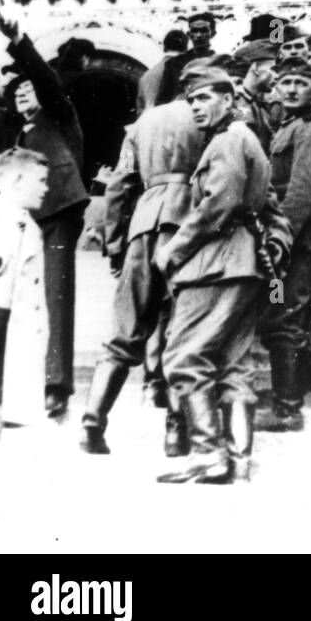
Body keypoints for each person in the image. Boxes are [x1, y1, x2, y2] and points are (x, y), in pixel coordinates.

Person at [156, 67, 292, 486]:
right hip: (243, 266)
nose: (196, 106)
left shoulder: (228, 140)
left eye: (205, 98)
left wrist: (173, 249)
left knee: (183, 355)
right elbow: (270, 208)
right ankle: (239, 459)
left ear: (229, 100)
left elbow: (220, 203)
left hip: (215, 266)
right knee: (235, 365)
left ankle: (208, 454)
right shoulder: (246, 140)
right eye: (192, 100)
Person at [79, 91, 206, 457]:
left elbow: (120, 184)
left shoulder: (143, 123)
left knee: (125, 331)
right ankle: (176, 433)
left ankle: (92, 423)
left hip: (143, 225)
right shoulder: (210, 117)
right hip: (187, 225)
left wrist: (115, 243)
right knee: (183, 331)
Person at [0, 7, 87, 420]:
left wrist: (18, 40)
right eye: (17, 94)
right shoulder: (20, 133)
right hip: (26, 220)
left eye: (28, 91)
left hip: (58, 212)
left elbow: (46, 81)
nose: (22, 96)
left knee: (57, 296)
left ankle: (57, 384)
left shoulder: (58, 114)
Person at [260, 60, 311, 431]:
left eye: (300, 83)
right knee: (278, 317)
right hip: (285, 239)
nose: (290, 90)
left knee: (284, 318)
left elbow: (304, 191)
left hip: (295, 243)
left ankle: (288, 408)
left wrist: (280, 238)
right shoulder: (287, 127)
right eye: (284, 82)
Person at [0, 148, 49, 538]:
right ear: (15, 181)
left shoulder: (28, 225)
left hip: (10, 333)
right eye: (40, 180)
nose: (47, 188)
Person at [154, 12, 217, 106]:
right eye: (195, 31)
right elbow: (162, 101)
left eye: (204, 31)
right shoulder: (174, 64)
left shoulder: (220, 63)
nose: (199, 35)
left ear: (212, 34)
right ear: (189, 34)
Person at [231, 41, 279, 154]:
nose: (277, 76)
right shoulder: (236, 102)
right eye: (273, 69)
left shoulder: (258, 105)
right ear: (256, 68)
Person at [137, 30, 189, 112]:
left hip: (149, 122)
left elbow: (140, 112)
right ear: (186, 50)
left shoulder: (146, 76)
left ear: (164, 48)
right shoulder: (186, 73)